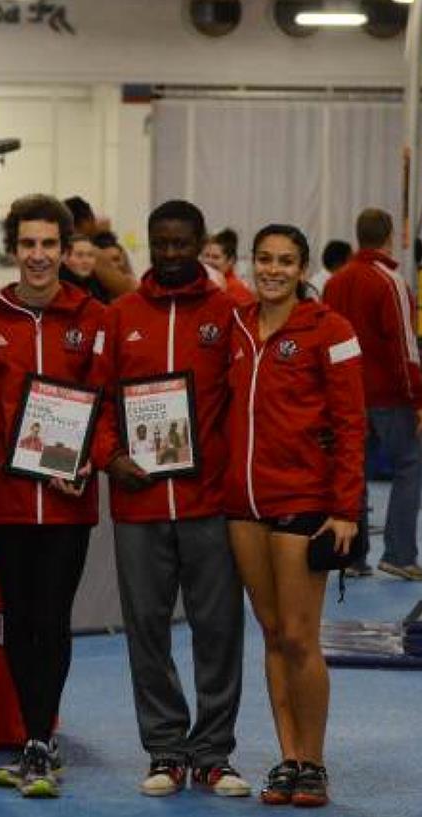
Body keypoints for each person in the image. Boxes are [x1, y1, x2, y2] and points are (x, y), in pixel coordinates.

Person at [89, 199, 249, 798]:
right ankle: (164, 748)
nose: (172, 254)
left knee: (218, 630)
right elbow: (101, 401)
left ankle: (212, 754)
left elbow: (242, 405)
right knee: (147, 631)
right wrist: (111, 457)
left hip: (208, 504)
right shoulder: (120, 315)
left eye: (183, 243)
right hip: (140, 506)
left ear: (200, 242)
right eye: (162, 244)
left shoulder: (230, 313)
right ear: (150, 244)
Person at [0, 194, 108, 798]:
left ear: (65, 248)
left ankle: (39, 739)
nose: (38, 256)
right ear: (13, 247)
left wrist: (88, 460)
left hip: (67, 501)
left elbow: (105, 406)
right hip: (3, 500)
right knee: (19, 620)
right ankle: (33, 737)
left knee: (52, 621)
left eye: (49, 244)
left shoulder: (93, 318)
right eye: (27, 244)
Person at [225, 224, 364, 808]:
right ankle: (287, 759)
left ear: (303, 268)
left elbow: (353, 421)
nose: (273, 269)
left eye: (285, 260)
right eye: (264, 259)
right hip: (244, 505)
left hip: (304, 502)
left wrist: (346, 508)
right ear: (251, 263)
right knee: (274, 635)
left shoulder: (332, 330)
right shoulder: (236, 326)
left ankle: (314, 761)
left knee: (302, 639)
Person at [320, 208, 422, 581]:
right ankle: (399, 553)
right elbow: (404, 346)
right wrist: (418, 398)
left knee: (353, 472)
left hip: (344, 396)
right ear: (389, 236)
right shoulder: (389, 281)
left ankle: (352, 556)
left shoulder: (335, 282)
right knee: (411, 465)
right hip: (387, 396)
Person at [201, 229, 255, 308]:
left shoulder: (239, 292)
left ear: (231, 260)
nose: (209, 261)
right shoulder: (200, 285)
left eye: (215, 257)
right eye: (206, 256)